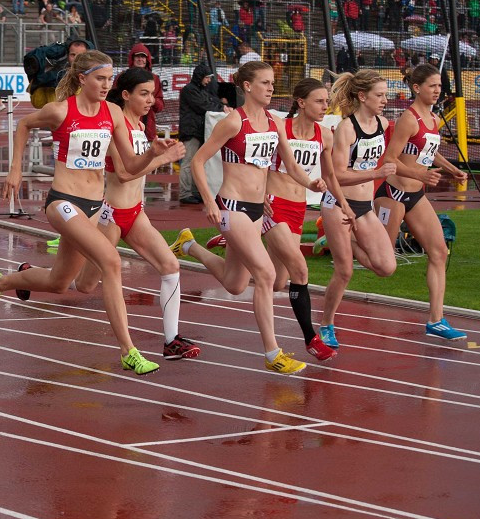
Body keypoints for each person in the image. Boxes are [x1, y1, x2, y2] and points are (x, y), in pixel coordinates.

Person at [0, 50, 181, 375]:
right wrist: (15, 169)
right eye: (100, 78)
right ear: (83, 78)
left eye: (109, 79)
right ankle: (129, 351)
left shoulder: (112, 113)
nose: (106, 84)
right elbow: (24, 124)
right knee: (111, 261)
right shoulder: (60, 111)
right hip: (63, 201)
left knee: (60, 282)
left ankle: (0, 282)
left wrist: (154, 156)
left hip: (93, 205)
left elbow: (129, 166)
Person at [169, 61, 326, 374]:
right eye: (265, 83)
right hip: (232, 206)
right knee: (266, 274)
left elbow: (291, 166)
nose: (270, 88)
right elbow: (198, 161)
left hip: (256, 210)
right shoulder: (232, 122)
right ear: (248, 86)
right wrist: (210, 202)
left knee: (236, 283)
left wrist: (310, 183)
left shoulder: (274, 122)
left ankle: (189, 246)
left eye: (272, 83)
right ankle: (273, 353)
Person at [73, 67, 199, 360]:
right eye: (143, 94)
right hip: (111, 216)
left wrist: (158, 153)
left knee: (170, 266)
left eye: (153, 94)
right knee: (84, 284)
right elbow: (126, 174)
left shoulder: (142, 128)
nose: (150, 100)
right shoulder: (117, 127)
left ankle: (171, 341)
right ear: (126, 95)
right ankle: (20, 278)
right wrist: (162, 157)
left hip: (135, 213)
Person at [260, 78, 354, 362]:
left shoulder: (325, 135)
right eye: (319, 101)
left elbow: (330, 176)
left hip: (297, 209)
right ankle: (311, 339)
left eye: (327, 101)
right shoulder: (280, 129)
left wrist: (344, 203)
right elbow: (259, 161)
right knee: (301, 271)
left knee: (277, 282)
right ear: (301, 102)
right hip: (273, 207)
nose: (326, 106)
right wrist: (259, 192)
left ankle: (198, 246)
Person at [375, 64, 468, 340]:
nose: (438, 91)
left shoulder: (433, 118)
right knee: (383, 265)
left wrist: (452, 169)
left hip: (415, 196)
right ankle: (348, 237)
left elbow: (430, 152)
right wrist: (420, 173)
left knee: (439, 252)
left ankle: (436, 321)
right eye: (432, 86)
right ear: (417, 88)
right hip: (393, 194)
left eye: (440, 86)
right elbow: (390, 160)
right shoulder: (409, 118)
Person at [317, 69, 399, 348]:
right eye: (380, 95)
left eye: (385, 95)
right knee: (345, 272)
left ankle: (343, 239)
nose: (385, 100)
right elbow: (337, 175)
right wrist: (375, 175)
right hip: (339, 204)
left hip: (364, 207)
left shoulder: (383, 124)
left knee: (386, 267)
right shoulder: (347, 128)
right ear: (362, 97)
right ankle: (327, 324)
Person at [177, 64, 226, 204]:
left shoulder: (200, 90)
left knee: (196, 162)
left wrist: (221, 106)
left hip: (197, 131)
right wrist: (222, 107)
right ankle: (185, 193)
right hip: (191, 131)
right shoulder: (189, 90)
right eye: (206, 78)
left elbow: (210, 102)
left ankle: (193, 191)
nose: (208, 81)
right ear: (200, 77)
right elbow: (203, 106)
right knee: (188, 162)